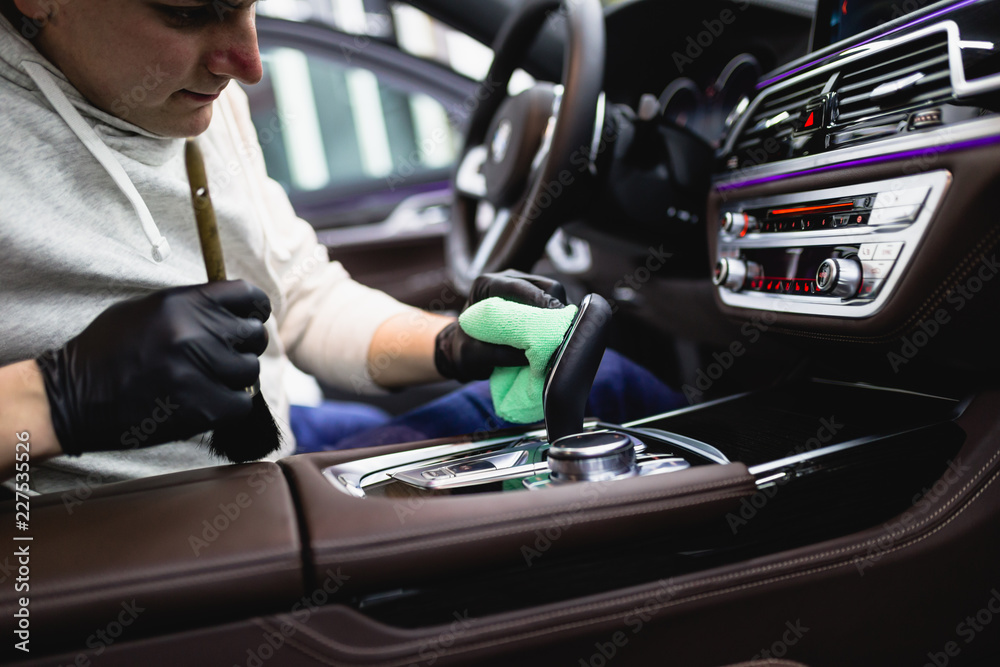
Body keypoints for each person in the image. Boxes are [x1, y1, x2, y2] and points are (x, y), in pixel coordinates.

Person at [0, 0, 683, 491]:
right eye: (187, 12)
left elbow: (299, 300)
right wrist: (56, 399)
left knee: (604, 382)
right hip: (137, 543)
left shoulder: (202, 95)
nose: (247, 63)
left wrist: (452, 345)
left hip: (276, 449)